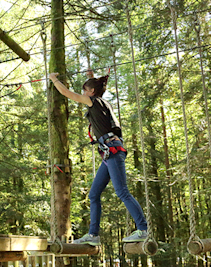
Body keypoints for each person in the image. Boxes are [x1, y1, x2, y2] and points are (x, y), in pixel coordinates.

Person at [48, 70, 148, 246]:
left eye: (85, 90)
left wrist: (54, 79)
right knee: (94, 194)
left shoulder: (93, 101)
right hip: (109, 152)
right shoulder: (103, 102)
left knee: (122, 191)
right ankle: (93, 235)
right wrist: (91, 75)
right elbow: (97, 89)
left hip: (112, 151)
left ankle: (144, 229)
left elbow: (66, 93)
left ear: (91, 92)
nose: (83, 94)